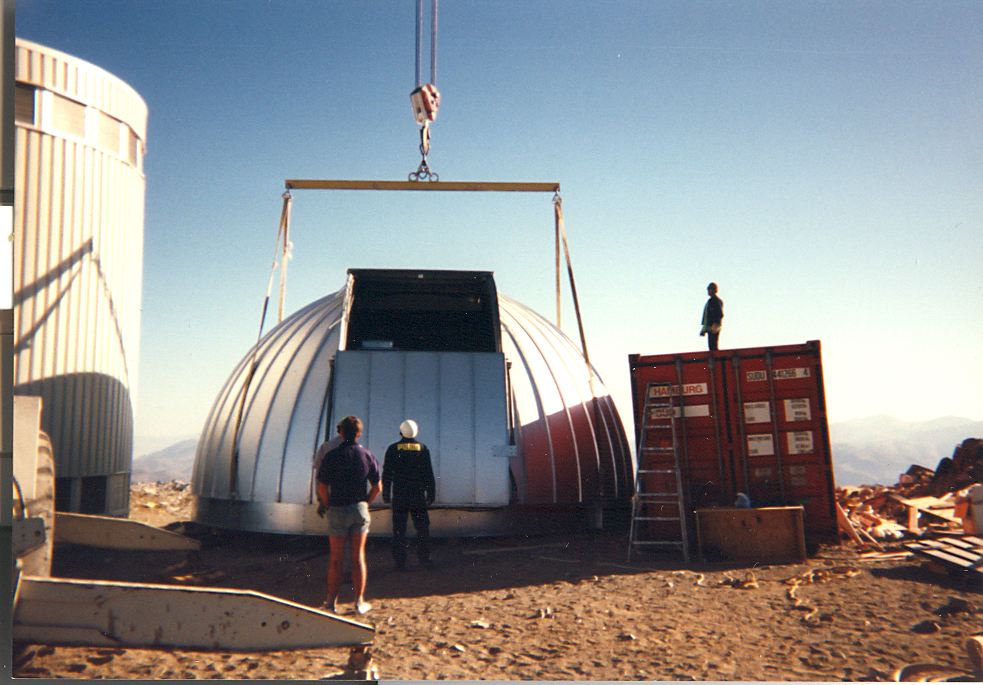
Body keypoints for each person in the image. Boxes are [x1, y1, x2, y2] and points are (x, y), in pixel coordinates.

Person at [315, 415, 382, 616]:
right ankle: (359, 602)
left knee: (336, 559)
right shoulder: (367, 455)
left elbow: (322, 487)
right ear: (359, 434)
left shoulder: (331, 456)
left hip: (338, 509)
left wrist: (327, 504)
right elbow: (377, 487)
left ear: (341, 433)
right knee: (358, 557)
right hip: (359, 509)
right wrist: (365, 503)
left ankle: (330, 603)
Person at [381, 419, 436, 571]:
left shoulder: (393, 449)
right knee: (422, 528)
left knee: (399, 530)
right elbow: (428, 473)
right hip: (418, 496)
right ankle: (425, 559)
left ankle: (400, 563)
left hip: (399, 496)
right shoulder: (422, 448)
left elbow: (387, 473)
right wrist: (431, 493)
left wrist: (386, 493)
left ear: (400, 433)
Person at [700, 282, 724, 351]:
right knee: (711, 345)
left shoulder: (716, 301)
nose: (709, 291)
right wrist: (704, 329)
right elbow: (707, 316)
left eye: (710, 289)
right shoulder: (710, 301)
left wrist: (716, 325)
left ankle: (715, 359)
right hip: (710, 327)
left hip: (713, 327)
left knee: (713, 345)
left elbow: (720, 314)